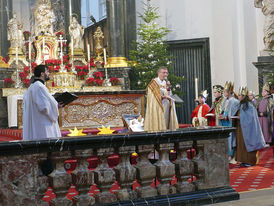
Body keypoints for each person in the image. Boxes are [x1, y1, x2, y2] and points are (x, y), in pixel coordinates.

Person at [23, 65, 61, 140]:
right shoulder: (39, 86)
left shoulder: (32, 86)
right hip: (44, 124)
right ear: (42, 74)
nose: (49, 73)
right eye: (47, 71)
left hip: (38, 121)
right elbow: (44, 107)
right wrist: (56, 106)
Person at [234, 86, 266, 167]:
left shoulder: (249, 105)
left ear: (244, 96)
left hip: (248, 130)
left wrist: (240, 118)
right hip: (240, 128)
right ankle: (243, 160)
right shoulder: (241, 104)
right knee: (241, 144)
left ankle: (250, 161)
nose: (238, 97)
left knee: (247, 144)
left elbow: (251, 119)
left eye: (239, 95)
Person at [144, 66, 179, 131]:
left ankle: (166, 129)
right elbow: (151, 95)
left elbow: (169, 94)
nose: (165, 75)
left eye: (166, 73)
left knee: (168, 108)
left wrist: (168, 88)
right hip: (157, 104)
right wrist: (163, 97)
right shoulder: (154, 82)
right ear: (159, 73)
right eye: (164, 73)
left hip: (166, 103)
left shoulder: (165, 82)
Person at [219, 81, 239, 162]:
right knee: (226, 139)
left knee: (231, 139)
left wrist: (227, 117)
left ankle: (231, 155)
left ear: (229, 92)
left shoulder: (234, 101)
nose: (223, 93)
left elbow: (234, 112)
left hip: (229, 123)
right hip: (224, 122)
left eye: (224, 91)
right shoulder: (225, 100)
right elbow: (223, 110)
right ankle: (226, 154)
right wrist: (221, 115)